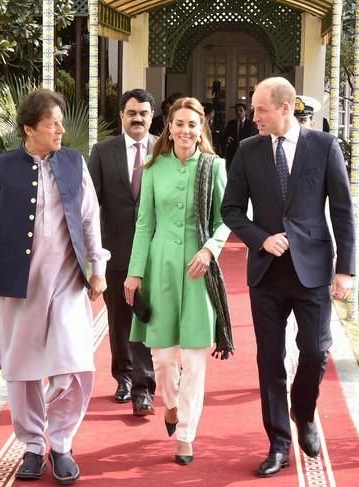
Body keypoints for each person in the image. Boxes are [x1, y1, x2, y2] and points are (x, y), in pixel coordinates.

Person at [0, 89, 110, 484]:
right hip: (16, 285)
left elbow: (91, 219)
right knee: (22, 373)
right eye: (52, 124)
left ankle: (60, 443)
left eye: (60, 121)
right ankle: (31, 446)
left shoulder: (75, 163)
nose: (61, 129)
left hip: (66, 282)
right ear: (29, 129)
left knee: (73, 367)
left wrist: (98, 268)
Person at [220, 77, 355, 478]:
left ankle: (304, 412)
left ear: (285, 108)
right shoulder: (247, 150)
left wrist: (345, 269)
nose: (253, 116)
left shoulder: (324, 146)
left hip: (312, 270)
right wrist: (262, 240)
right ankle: (278, 443)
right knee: (269, 360)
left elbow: (344, 211)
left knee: (315, 353)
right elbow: (231, 210)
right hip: (266, 274)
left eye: (261, 109)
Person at [123, 97, 232, 465]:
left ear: (201, 128)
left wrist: (210, 250)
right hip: (161, 268)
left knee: (195, 360)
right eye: (179, 123)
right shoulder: (153, 169)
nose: (185, 130)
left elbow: (225, 219)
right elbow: (143, 224)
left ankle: (185, 434)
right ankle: (170, 404)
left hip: (199, 271)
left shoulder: (214, 167)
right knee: (164, 358)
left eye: (192, 124)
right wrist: (135, 272)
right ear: (169, 128)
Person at [88, 89, 157, 416]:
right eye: (132, 113)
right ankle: (124, 378)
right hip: (114, 250)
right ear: (121, 115)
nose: (138, 118)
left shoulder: (165, 150)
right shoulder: (103, 152)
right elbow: (90, 205)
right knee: (119, 319)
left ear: (152, 116)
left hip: (156, 253)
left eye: (143, 113)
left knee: (148, 317)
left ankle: (145, 386)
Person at [222, 102, 258, 172]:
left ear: (245, 112)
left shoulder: (251, 124)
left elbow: (254, 139)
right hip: (233, 153)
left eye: (241, 110)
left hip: (246, 153)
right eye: (237, 111)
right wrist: (227, 140)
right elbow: (225, 137)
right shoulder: (230, 123)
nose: (238, 112)